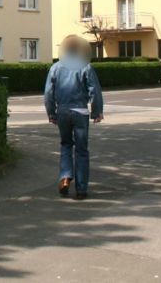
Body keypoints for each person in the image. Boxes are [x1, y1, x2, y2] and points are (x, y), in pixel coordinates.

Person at [44, 35, 104, 200]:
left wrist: (51, 113)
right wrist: (97, 112)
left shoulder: (55, 68)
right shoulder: (86, 66)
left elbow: (48, 93)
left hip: (62, 111)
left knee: (65, 145)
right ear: (78, 49)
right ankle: (81, 189)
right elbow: (94, 90)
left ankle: (65, 176)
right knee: (81, 150)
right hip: (80, 112)